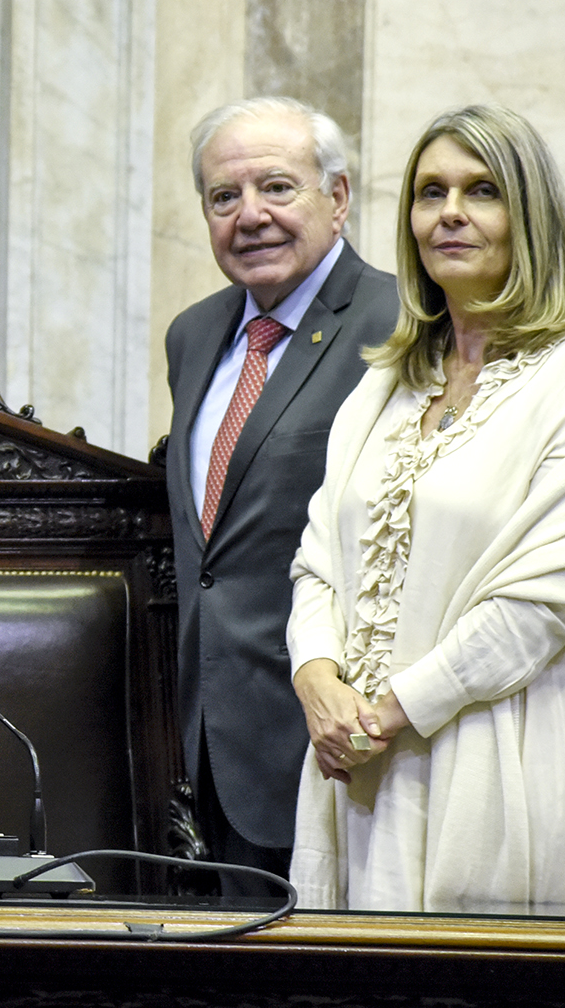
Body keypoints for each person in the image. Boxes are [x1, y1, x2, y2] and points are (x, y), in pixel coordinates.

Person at [288, 105, 565, 916]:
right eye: (430, 191)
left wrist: (387, 711)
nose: (450, 212)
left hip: (498, 758)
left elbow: (552, 598)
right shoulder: (388, 380)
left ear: (531, 217)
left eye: (482, 191)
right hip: (357, 766)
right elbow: (318, 561)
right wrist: (317, 681)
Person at [164, 97, 400, 892]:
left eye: (277, 187)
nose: (250, 216)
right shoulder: (194, 334)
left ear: (337, 198)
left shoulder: (401, 323)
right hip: (202, 744)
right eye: (224, 197)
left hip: (334, 742)